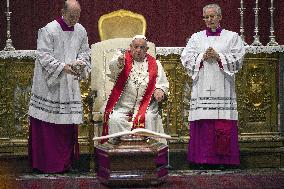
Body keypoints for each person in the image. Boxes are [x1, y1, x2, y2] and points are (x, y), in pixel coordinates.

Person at [28, 0, 91, 173]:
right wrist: (63, 67)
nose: (74, 20)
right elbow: (43, 55)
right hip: (51, 85)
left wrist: (81, 63)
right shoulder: (49, 30)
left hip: (69, 84)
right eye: (72, 16)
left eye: (77, 16)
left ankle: (66, 163)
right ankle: (47, 164)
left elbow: (85, 52)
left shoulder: (80, 30)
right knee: (50, 125)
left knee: (66, 127)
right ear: (62, 11)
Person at [181, 3, 245, 168]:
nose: (209, 20)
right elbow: (186, 58)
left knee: (222, 123)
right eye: (206, 17)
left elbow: (238, 59)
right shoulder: (196, 37)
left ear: (220, 17)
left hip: (223, 86)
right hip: (202, 86)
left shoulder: (232, 37)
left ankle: (223, 161)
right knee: (203, 122)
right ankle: (201, 160)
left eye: (212, 16)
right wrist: (201, 56)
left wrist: (219, 56)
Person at [101, 35, 169, 143]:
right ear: (130, 47)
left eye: (142, 47)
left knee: (149, 118)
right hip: (123, 107)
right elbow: (113, 68)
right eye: (136, 47)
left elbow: (162, 84)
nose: (138, 50)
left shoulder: (155, 64)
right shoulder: (122, 60)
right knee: (115, 119)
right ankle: (118, 155)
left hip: (146, 108)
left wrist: (160, 89)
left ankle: (148, 156)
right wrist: (118, 63)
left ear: (146, 49)